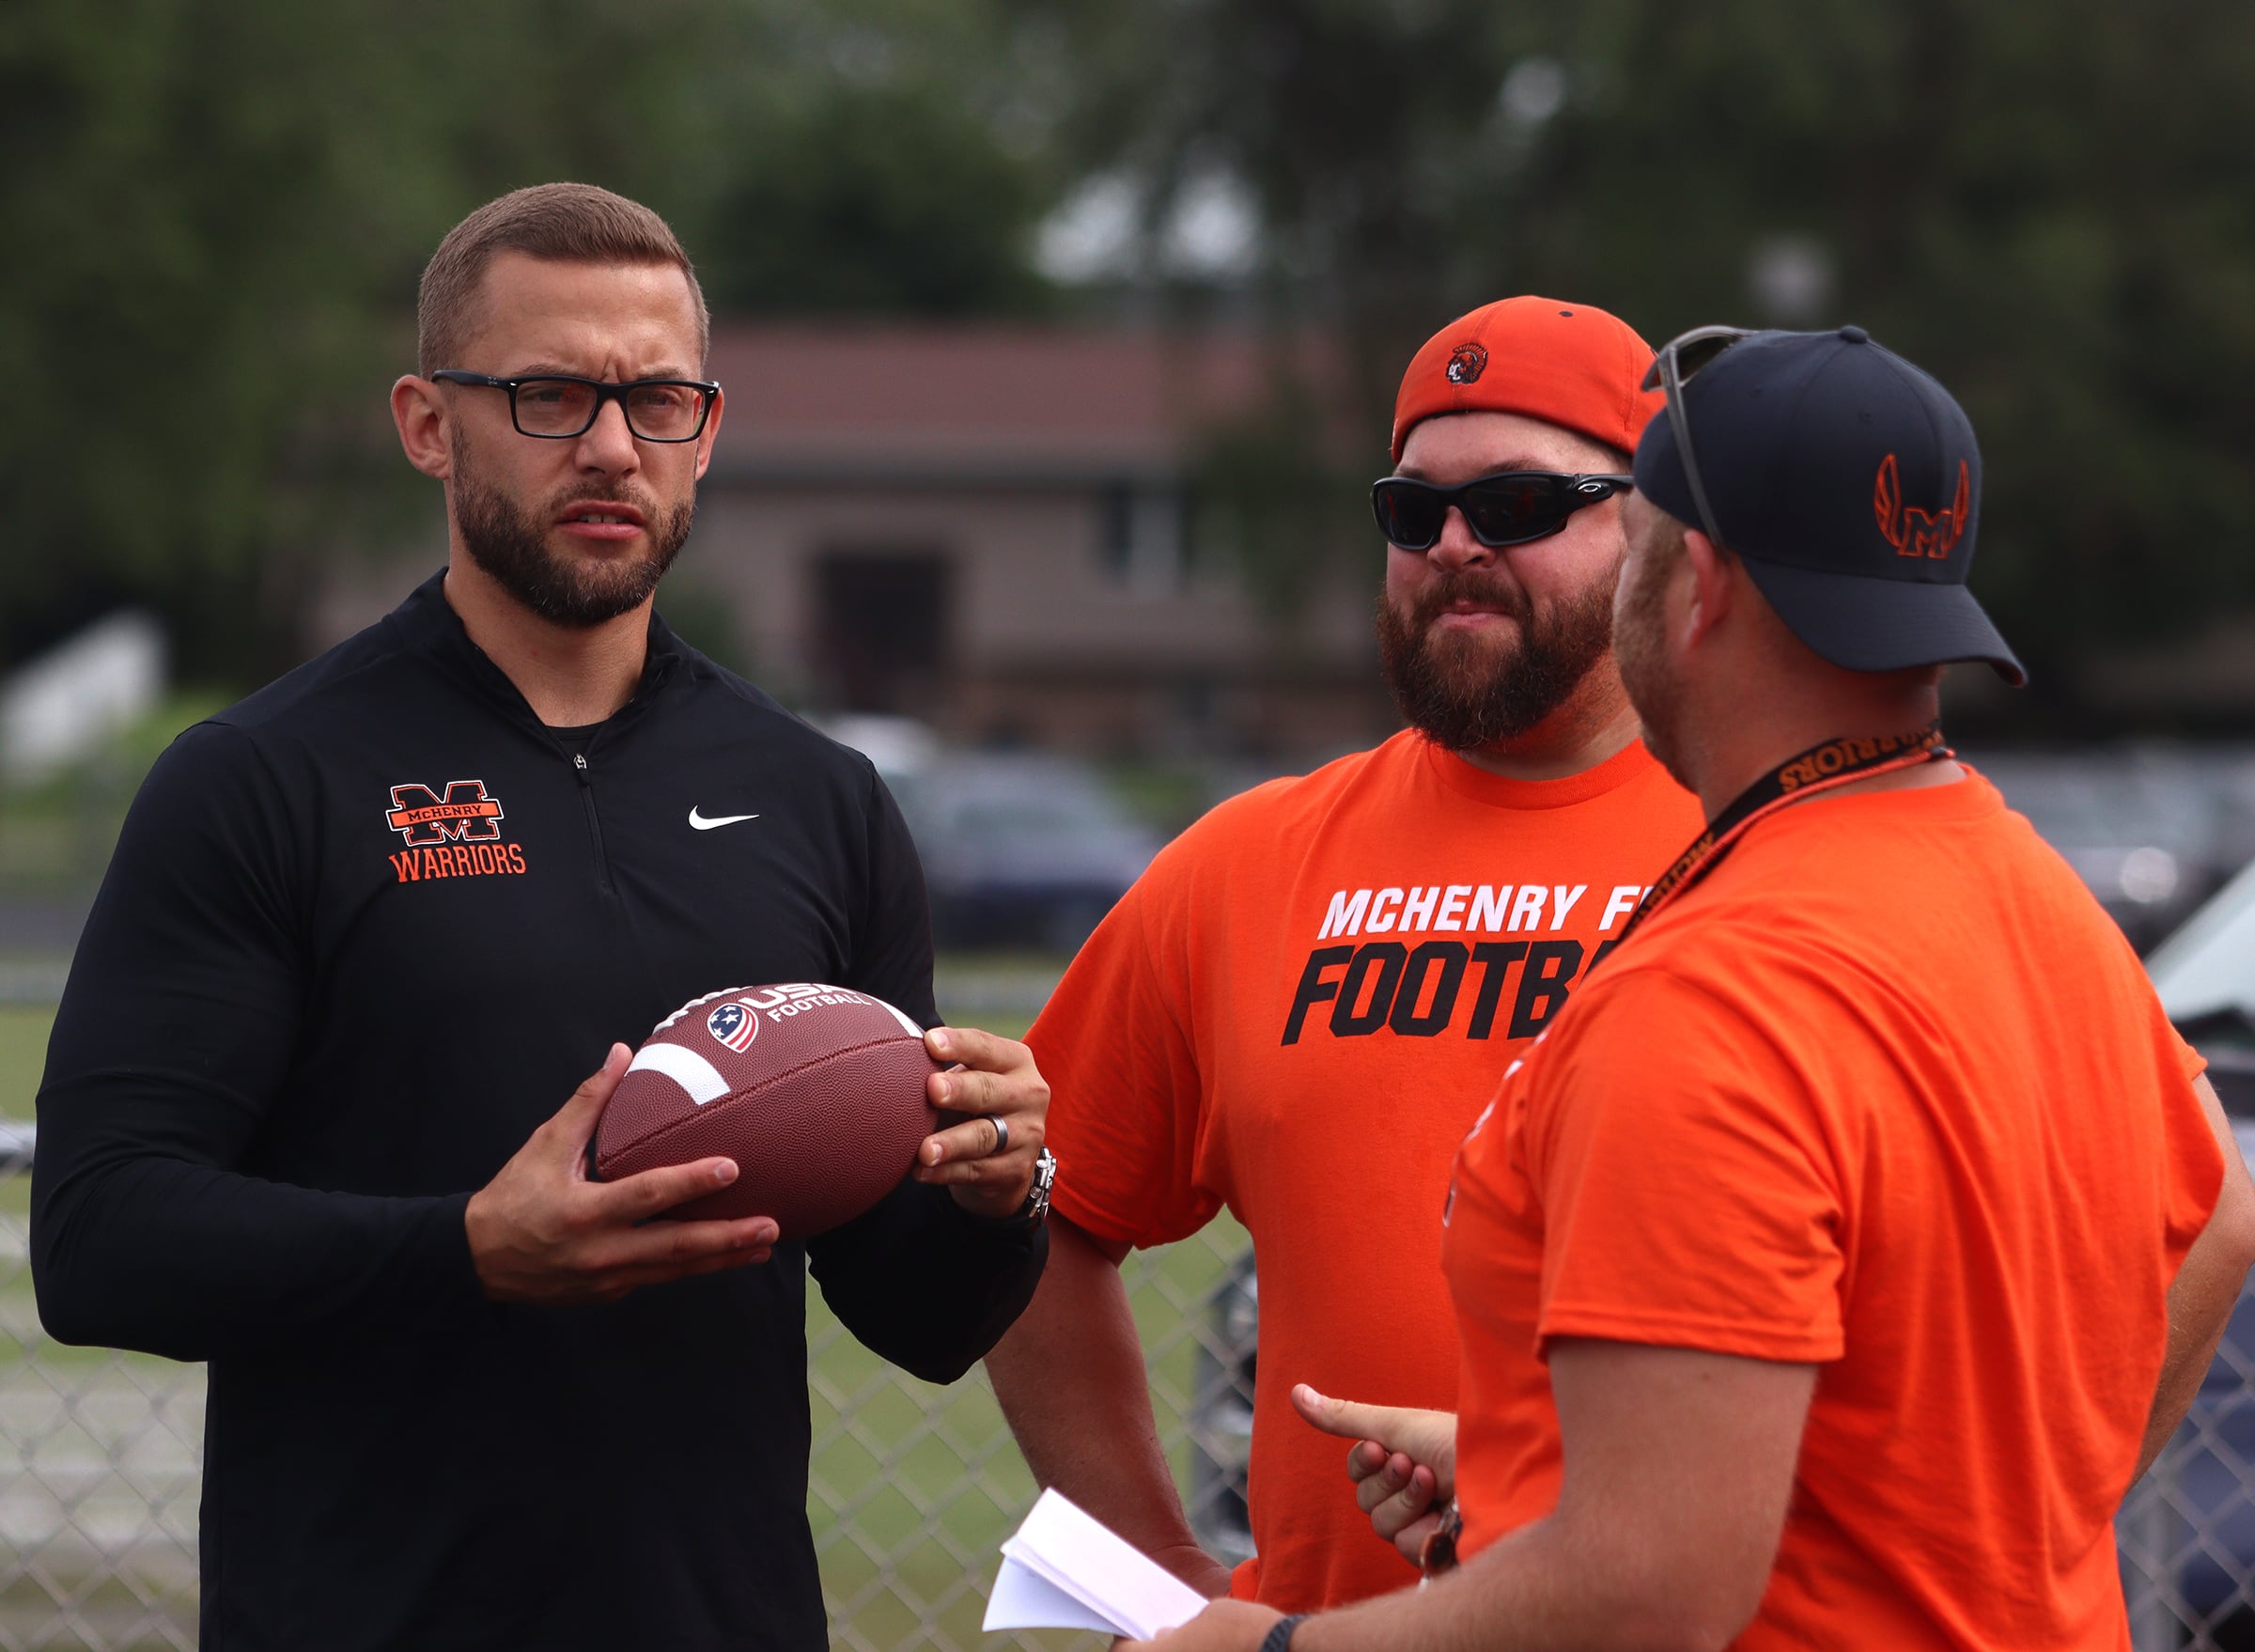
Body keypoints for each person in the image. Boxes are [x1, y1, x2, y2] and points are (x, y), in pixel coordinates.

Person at [29, 182, 1056, 1652]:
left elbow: (924, 1320)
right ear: (427, 422)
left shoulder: (821, 796)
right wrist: (463, 1247)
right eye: (549, 393)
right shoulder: (262, 780)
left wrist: (995, 1184)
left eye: (659, 399)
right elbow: (99, 1234)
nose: (612, 447)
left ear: (710, 422)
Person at [1128, 325, 2255, 1652]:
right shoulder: (2032, 892)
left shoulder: (1708, 994)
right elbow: (2218, 1212)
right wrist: (1556, 1469)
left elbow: (1643, 1592)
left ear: (1697, 587)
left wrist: (1268, 1646)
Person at [984, 297, 1705, 1611]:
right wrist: (1166, 1577)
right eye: (1410, 510)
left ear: (1652, 530)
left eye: (1520, 504)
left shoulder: (1766, 846)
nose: (1453, 545)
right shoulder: (1253, 860)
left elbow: (2194, 1216)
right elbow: (1034, 1211)